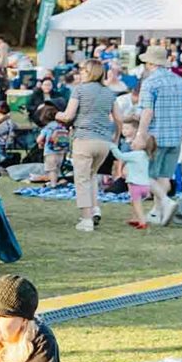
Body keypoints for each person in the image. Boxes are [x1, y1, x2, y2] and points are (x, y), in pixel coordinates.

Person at [56, 59, 123, 232]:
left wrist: (56, 114)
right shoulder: (109, 93)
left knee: (82, 179)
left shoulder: (79, 90)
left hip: (84, 139)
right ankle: (95, 209)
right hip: (103, 142)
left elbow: (68, 116)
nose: (80, 73)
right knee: (92, 176)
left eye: (83, 70)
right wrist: (115, 139)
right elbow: (119, 119)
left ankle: (86, 220)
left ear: (90, 72)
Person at [135, 46, 182, 226]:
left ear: (150, 63)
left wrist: (140, 134)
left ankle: (165, 203)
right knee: (164, 175)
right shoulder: (180, 81)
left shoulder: (150, 83)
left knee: (144, 172)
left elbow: (147, 111)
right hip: (175, 134)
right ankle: (158, 212)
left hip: (155, 135)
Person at [111, 117, 156, 229]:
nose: (133, 141)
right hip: (145, 185)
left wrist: (112, 146)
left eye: (136, 140)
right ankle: (135, 219)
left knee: (137, 204)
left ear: (142, 145)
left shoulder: (135, 154)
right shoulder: (146, 156)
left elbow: (120, 156)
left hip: (135, 185)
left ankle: (142, 222)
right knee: (136, 202)